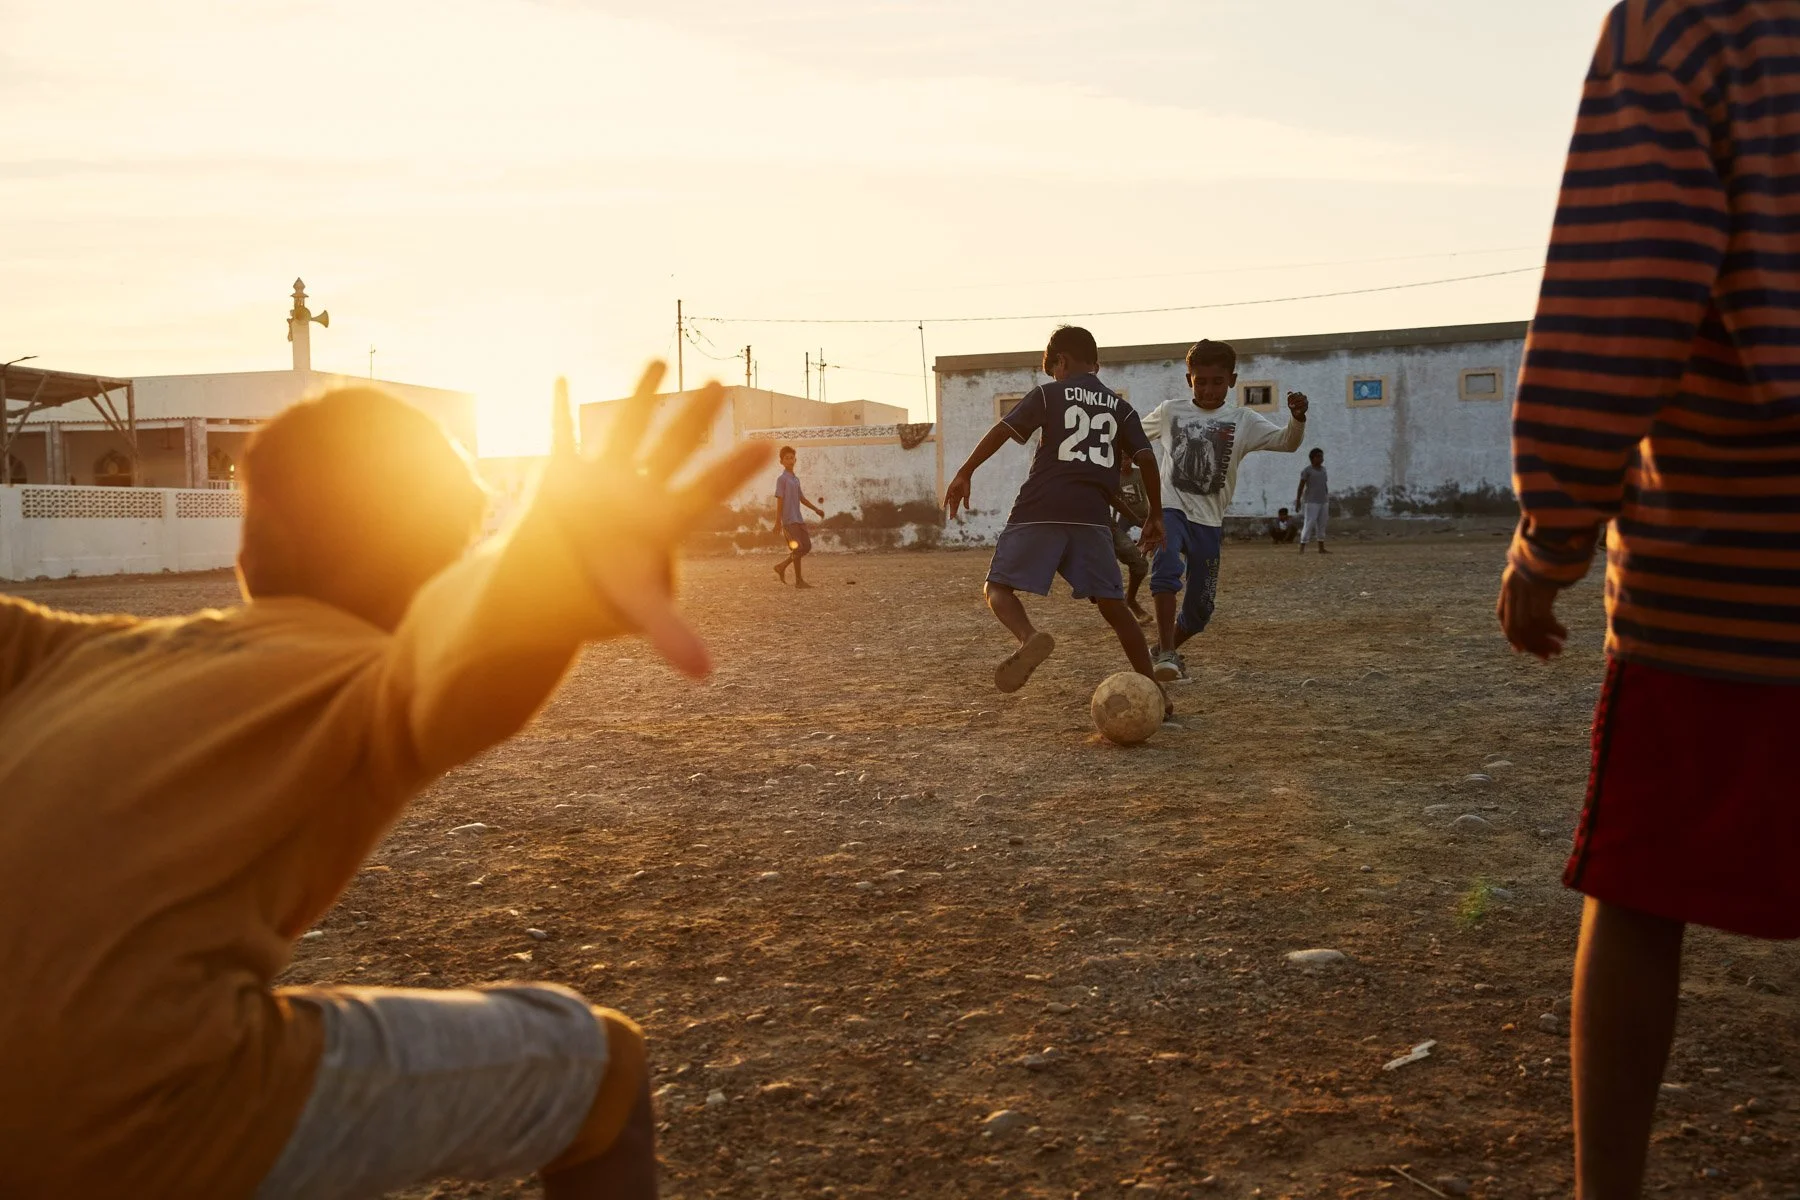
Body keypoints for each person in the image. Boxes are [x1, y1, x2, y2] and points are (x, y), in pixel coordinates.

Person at [0, 363, 766, 1200]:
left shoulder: (65, 655)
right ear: (441, 568)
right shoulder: (372, 677)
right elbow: (463, 648)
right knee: (602, 1068)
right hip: (127, 1110)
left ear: (247, 547)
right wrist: (556, 565)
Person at [1498, 4, 1800, 1196]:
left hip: (1733, 574)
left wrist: (1550, 543)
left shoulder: (1689, 27)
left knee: (1637, 897)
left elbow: (1616, 309)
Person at [943, 325, 1168, 708]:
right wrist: (1155, 516)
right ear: (1096, 363)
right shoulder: (1120, 406)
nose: (1054, 376)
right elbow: (1146, 459)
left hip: (1040, 509)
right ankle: (1156, 691)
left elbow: (1003, 429)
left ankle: (1029, 637)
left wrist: (965, 471)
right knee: (1115, 607)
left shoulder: (1048, 395)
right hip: (1093, 518)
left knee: (997, 588)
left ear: (1060, 361)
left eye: (1054, 369)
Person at [1141, 339, 1308, 681]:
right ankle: (1170, 653)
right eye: (1200, 381)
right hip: (1172, 509)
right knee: (1166, 565)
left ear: (1232, 381)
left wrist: (1298, 418)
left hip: (1209, 521)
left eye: (1217, 381)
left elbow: (1287, 442)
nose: (1208, 389)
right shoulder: (1171, 411)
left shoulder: (1243, 420)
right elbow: (1134, 434)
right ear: (1189, 379)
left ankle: (1160, 649)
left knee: (1201, 610)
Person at [773, 445, 826, 589]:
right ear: (781, 462)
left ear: (795, 459)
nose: (790, 460)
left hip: (798, 519)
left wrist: (816, 509)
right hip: (789, 520)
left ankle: (782, 566)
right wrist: (778, 522)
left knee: (806, 546)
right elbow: (780, 500)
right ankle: (799, 581)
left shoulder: (795, 479)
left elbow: (802, 498)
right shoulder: (782, 479)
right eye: (787, 458)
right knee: (798, 548)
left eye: (792, 458)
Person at [1111, 458, 1153, 620]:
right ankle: (1122, 609)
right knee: (1106, 568)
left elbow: (1114, 500)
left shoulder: (1139, 474)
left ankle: (1130, 601)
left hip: (1134, 515)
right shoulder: (1114, 476)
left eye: (1127, 458)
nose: (1124, 462)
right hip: (1101, 525)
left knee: (1139, 564)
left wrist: (1150, 515)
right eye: (1120, 459)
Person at [1295, 448, 1329, 554]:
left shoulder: (1323, 470)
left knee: (1322, 524)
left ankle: (1321, 547)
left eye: (1322, 456)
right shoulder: (1307, 471)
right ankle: (1302, 546)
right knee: (1309, 523)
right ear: (1312, 458)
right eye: (1318, 456)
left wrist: (1326, 496)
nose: (1321, 458)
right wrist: (1298, 500)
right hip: (1311, 501)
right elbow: (1301, 487)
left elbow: (1324, 484)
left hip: (1323, 501)